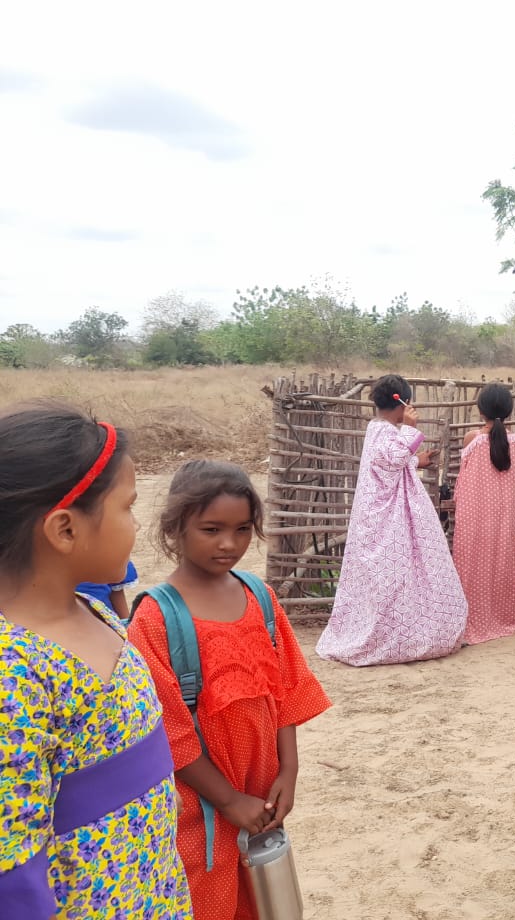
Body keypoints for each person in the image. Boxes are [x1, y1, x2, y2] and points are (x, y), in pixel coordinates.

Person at [0, 402, 191, 919]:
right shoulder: (14, 673)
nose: (135, 523)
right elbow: (11, 874)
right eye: (127, 507)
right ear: (65, 530)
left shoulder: (96, 614)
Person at [129, 459, 330, 920]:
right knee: (207, 893)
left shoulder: (259, 596)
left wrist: (289, 769)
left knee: (262, 892)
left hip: (260, 790)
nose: (229, 543)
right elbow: (169, 732)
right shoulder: (155, 619)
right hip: (199, 803)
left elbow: (285, 690)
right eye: (211, 529)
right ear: (176, 528)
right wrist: (227, 799)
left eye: (242, 529)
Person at [316, 374, 468, 665]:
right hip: (388, 519)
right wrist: (410, 431)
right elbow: (392, 459)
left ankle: (407, 630)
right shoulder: (384, 432)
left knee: (400, 574)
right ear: (403, 402)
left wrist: (416, 460)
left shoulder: (378, 431)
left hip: (387, 513)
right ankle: (398, 636)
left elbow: (388, 463)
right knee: (394, 574)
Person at [455, 383, 515, 645]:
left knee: (470, 569)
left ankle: (472, 621)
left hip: (473, 519)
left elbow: (462, 480)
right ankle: (501, 621)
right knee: (503, 569)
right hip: (506, 520)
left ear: (481, 411)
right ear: (511, 410)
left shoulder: (473, 440)